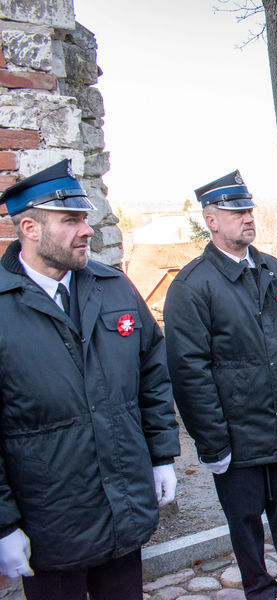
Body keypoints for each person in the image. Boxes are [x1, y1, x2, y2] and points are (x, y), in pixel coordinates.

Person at [0, 160, 180, 599]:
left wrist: (162, 455)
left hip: (122, 511)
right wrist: (3, 523)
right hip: (50, 523)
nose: (86, 230)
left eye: (84, 218)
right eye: (71, 220)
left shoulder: (112, 286)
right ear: (30, 227)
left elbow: (153, 375)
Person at [164, 171, 277, 600]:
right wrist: (213, 443)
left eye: (249, 210)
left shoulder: (272, 269)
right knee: (245, 522)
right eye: (236, 212)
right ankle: (259, 588)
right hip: (236, 434)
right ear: (211, 220)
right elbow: (189, 371)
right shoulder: (192, 285)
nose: (247, 218)